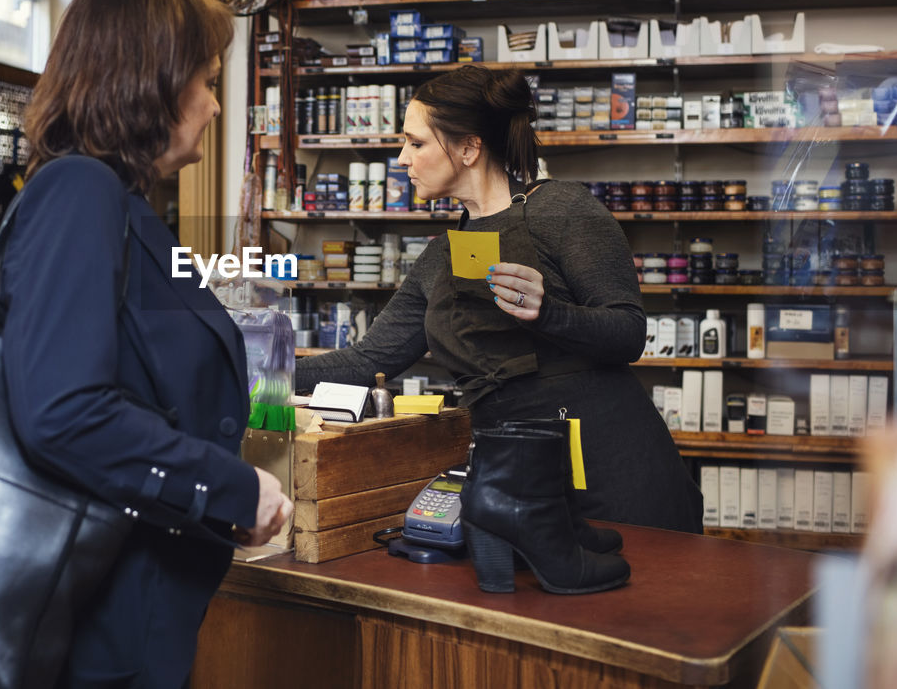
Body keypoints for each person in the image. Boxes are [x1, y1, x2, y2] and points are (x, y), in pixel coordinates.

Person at [0, 0, 292, 688]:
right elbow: (63, 411)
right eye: (207, 81)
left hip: (129, 612)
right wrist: (233, 487)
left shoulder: (120, 206)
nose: (216, 106)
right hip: (97, 624)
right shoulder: (79, 191)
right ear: (151, 83)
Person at [295, 65, 702, 537]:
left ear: (469, 148)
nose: (402, 158)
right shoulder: (439, 255)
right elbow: (368, 360)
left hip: (610, 463)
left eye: (416, 143)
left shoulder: (563, 210)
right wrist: (255, 365)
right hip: (513, 466)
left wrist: (550, 313)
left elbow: (629, 332)